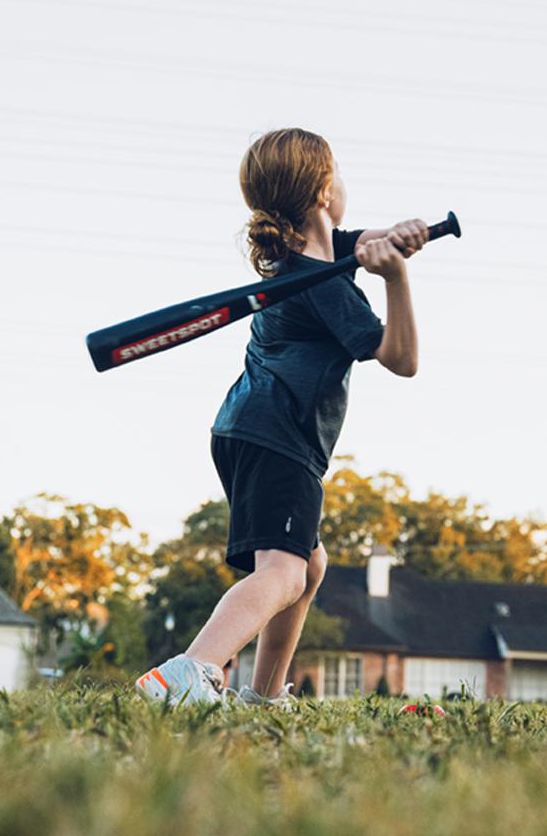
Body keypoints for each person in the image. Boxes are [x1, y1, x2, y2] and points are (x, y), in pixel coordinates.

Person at [136, 127, 428, 705]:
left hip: (247, 427)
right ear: (323, 191)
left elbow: (356, 240)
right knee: (285, 573)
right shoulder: (323, 289)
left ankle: (264, 695)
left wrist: (399, 238)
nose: (345, 182)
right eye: (338, 171)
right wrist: (397, 278)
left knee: (308, 564)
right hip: (280, 434)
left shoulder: (310, 257)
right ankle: (189, 671)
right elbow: (403, 360)